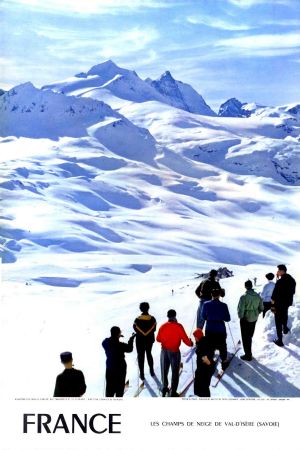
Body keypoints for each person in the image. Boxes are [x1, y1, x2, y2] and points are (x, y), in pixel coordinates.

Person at [156, 309, 193, 397]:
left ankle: (164, 387)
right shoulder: (179, 326)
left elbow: (158, 339)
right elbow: (185, 340)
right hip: (174, 352)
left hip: (164, 351)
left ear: (167, 316)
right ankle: (173, 393)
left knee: (164, 370)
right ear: (175, 316)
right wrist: (191, 343)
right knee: (175, 372)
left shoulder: (163, 326)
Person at [201, 288, 231, 369]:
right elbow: (228, 319)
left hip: (209, 328)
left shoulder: (205, 304)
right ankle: (224, 362)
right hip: (220, 329)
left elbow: (203, 316)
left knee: (210, 346)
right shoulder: (224, 305)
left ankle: (209, 362)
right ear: (219, 295)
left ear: (211, 295)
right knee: (222, 346)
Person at [102, 326, 135, 397]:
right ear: (118, 334)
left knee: (109, 390)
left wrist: (116, 337)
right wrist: (131, 339)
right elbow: (130, 349)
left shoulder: (106, 342)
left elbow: (106, 342)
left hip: (110, 369)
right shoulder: (120, 345)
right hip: (120, 371)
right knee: (119, 390)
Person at [238, 280, 264, 361]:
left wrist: (241, 317)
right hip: (254, 318)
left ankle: (248, 355)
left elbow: (240, 310)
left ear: (245, 286)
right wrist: (256, 313)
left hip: (245, 319)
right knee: (250, 335)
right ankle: (249, 352)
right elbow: (262, 308)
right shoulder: (258, 296)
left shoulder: (243, 297)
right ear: (251, 286)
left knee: (245, 337)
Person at [271, 264, 296, 347]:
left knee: (278, 322)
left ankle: (280, 340)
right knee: (284, 315)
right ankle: (285, 328)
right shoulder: (292, 280)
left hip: (278, 305)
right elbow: (292, 292)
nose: (277, 272)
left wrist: (273, 306)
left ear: (282, 271)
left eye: (278, 270)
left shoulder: (280, 282)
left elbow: (274, 296)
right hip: (287, 303)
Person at [133, 302, 156, 380]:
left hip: (140, 340)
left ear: (140, 309)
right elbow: (154, 329)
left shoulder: (137, 319)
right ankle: (151, 371)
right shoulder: (152, 319)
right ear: (148, 308)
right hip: (149, 340)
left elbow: (135, 329)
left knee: (141, 356)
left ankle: (142, 374)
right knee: (149, 354)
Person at [193, 328, 215, 397]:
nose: (195, 339)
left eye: (195, 337)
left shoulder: (202, 347)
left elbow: (207, 360)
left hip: (204, 371)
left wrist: (209, 365)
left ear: (198, 337)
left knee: (204, 388)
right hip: (204, 369)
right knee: (202, 387)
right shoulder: (205, 341)